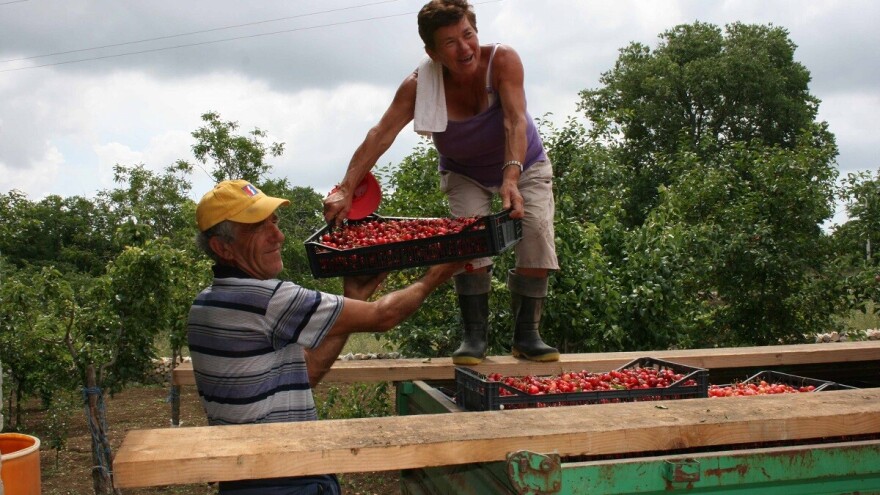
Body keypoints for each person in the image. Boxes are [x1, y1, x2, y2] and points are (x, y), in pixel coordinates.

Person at [188, 179, 464, 495]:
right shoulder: (269, 299)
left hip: (244, 480)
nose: (278, 235)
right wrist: (436, 274)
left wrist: (354, 294)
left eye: (274, 222)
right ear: (223, 247)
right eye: (257, 228)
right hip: (285, 481)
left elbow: (307, 371)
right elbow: (382, 316)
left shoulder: (204, 304)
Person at [323, 0, 559, 365]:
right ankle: (474, 337)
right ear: (432, 52)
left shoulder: (502, 61)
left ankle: (527, 335)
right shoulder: (419, 85)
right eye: (449, 42)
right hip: (464, 170)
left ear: (476, 31)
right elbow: (381, 134)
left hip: (523, 163)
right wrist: (345, 187)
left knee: (536, 231)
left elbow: (515, 120)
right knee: (468, 242)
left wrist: (510, 176)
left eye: (467, 35)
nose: (464, 48)